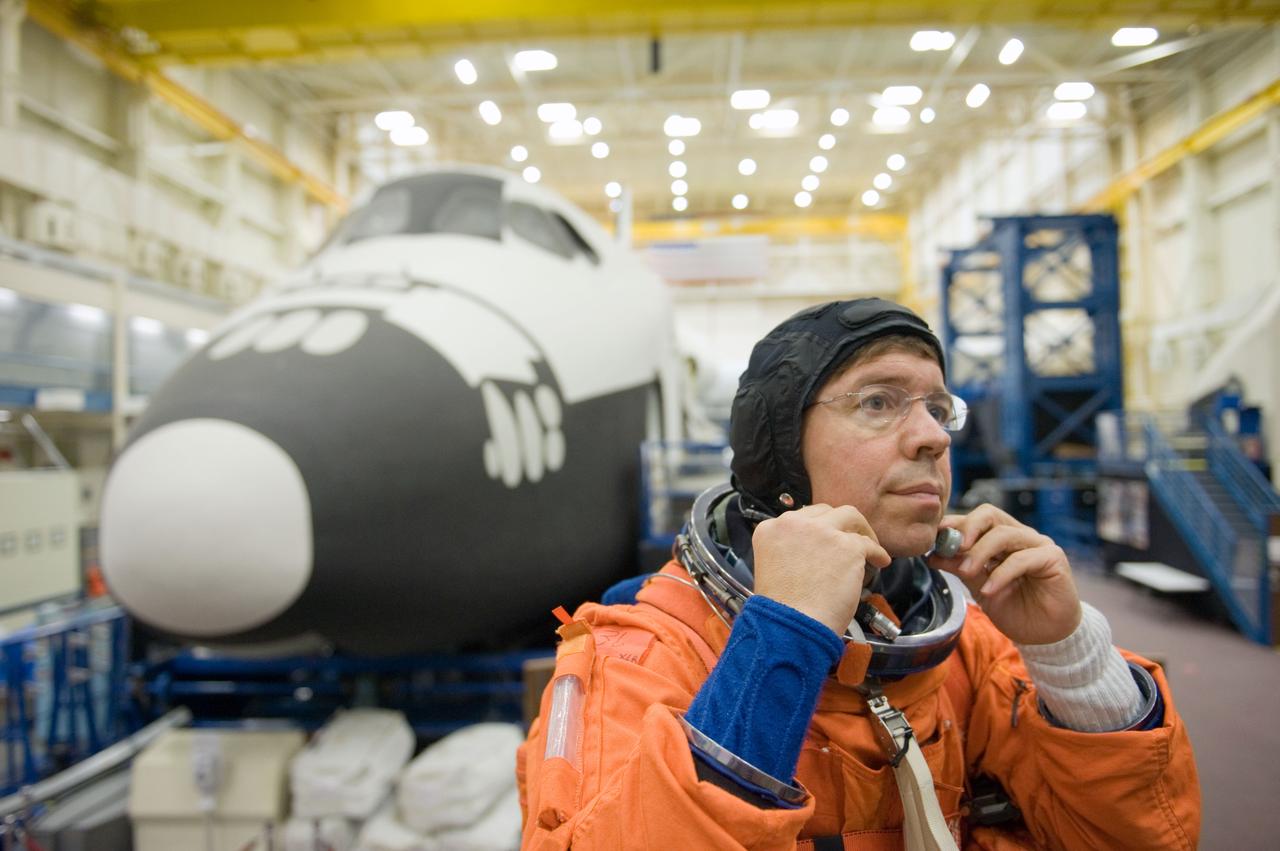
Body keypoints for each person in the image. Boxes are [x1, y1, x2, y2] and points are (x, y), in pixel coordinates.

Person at [517, 298, 1200, 850]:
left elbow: (1141, 837)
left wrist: (1067, 654)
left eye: (938, 406)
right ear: (780, 453)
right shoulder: (641, 655)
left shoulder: (963, 648)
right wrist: (781, 643)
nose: (931, 435)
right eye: (878, 402)